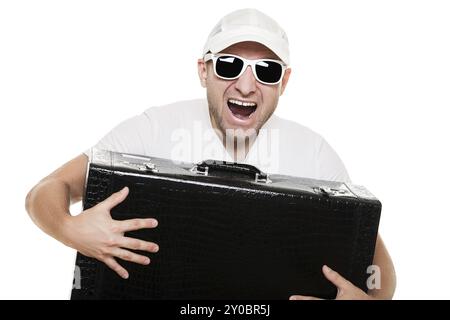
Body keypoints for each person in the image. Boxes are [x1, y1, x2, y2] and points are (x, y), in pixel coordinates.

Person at [25, 8, 396, 300]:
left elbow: (376, 260)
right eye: (229, 65)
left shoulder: (314, 153)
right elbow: (48, 188)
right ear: (204, 71)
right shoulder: (153, 128)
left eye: (266, 71)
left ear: (283, 82)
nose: (246, 86)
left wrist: (372, 300)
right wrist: (69, 228)